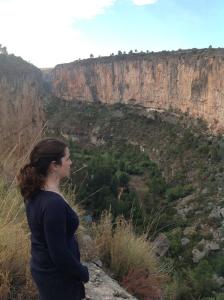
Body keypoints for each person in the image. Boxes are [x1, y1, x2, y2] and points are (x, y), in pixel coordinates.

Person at [17, 138, 89, 300]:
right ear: (54, 165)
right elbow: (58, 253)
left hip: (43, 268)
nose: (71, 162)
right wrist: (82, 272)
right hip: (58, 278)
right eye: (67, 158)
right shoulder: (52, 204)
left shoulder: (36, 191)